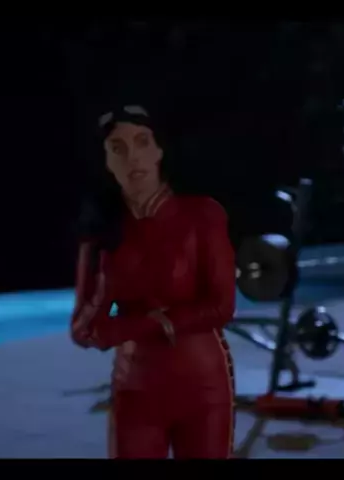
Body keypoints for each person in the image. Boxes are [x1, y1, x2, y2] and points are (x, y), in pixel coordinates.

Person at [70, 104, 236, 459]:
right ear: (106, 161)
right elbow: (83, 330)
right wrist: (109, 288)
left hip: (203, 387)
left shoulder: (203, 216)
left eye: (142, 142)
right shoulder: (102, 234)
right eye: (117, 148)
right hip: (136, 390)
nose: (132, 157)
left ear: (159, 150)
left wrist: (155, 322)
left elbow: (222, 306)